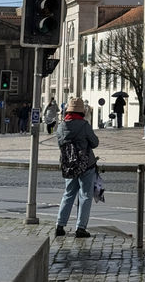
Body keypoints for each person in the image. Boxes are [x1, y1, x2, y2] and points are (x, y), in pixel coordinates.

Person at [55, 96, 100, 238]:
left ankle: (60, 225)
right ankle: (80, 228)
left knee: (68, 194)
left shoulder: (61, 127)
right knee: (85, 196)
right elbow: (94, 142)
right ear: (81, 112)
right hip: (86, 165)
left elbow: (60, 144)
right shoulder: (84, 125)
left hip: (69, 166)